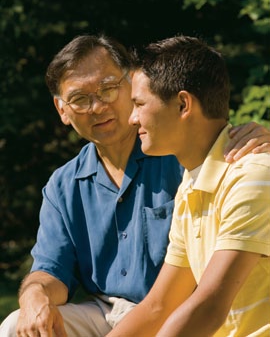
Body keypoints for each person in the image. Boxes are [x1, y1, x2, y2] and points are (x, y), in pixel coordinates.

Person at [1, 35, 269, 337]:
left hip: (186, 314)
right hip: (113, 313)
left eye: (108, 89)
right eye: (80, 98)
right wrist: (32, 296)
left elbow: (201, 304)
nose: (99, 107)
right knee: (14, 327)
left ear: (130, 83)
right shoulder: (64, 185)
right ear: (62, 110)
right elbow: (53, 270)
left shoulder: (187, 155)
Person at [106, 35, 270, 337]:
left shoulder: (255, 176)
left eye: (139, 104)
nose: (131, 119)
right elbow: (159, 305)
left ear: (183, 104)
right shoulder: (190, 186)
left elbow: (209, 305)